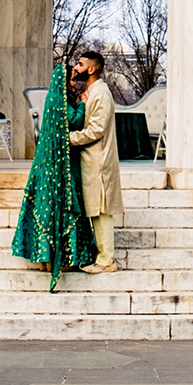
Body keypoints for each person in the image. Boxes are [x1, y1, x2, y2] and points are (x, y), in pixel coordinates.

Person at [11, 64, 97, 291]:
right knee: (64, 206)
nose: (73, 84)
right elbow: (75, 122)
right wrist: (82, 104)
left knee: (45, 207)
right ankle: (66, 258)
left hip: (46, 166)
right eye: (70, 80)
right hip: (60, 165)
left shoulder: (52, 98)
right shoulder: (61, 100)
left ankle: (45, 260)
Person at [68, 49, 124, 273]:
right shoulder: (93, 92)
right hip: (92, 160)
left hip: (99, 160)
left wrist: (69, 138)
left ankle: (106, 260)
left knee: (101, 210)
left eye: (80, 65)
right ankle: (103, 257)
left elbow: (97, 130)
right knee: (96, 209)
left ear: (91, 69)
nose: (76, 68)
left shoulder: (101, 93)